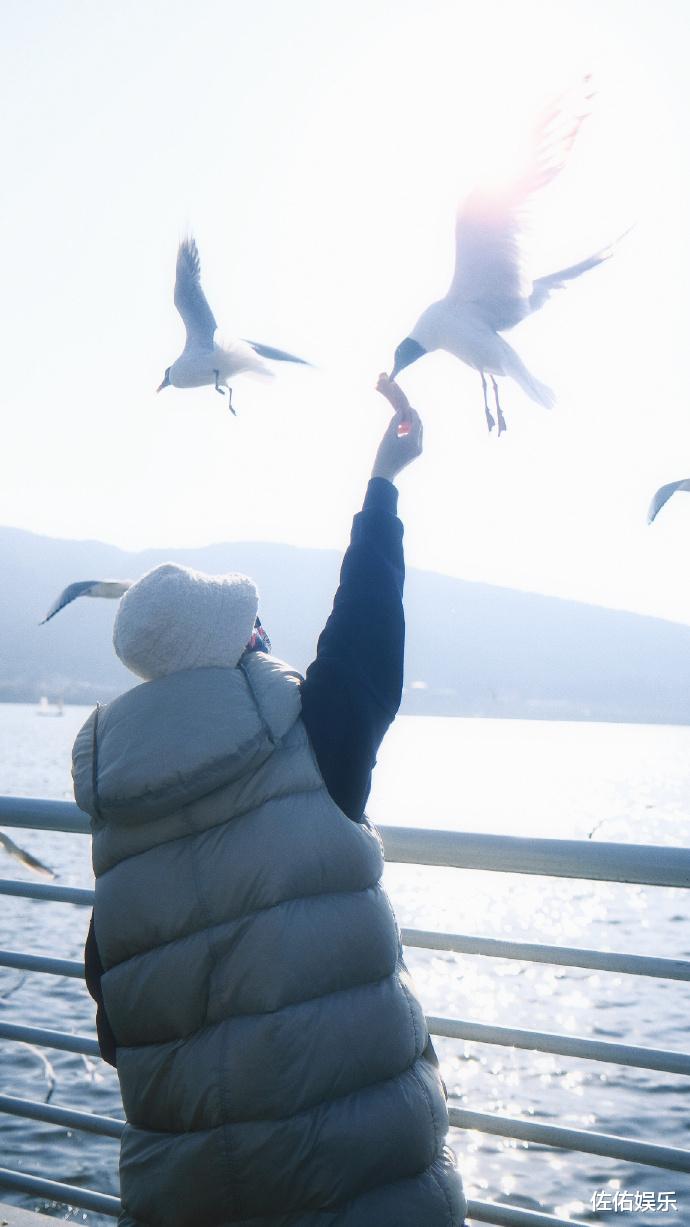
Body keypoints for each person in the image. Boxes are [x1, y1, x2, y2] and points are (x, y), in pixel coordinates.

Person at [75, 375, 467, 1227]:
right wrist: (383, 482)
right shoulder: (310, 736)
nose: (266, 638)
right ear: (236, 646)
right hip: (357, 1184)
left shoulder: (117, 813)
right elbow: (365, 634)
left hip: (191, 1195)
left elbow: (116, 1023)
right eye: (253, 629)